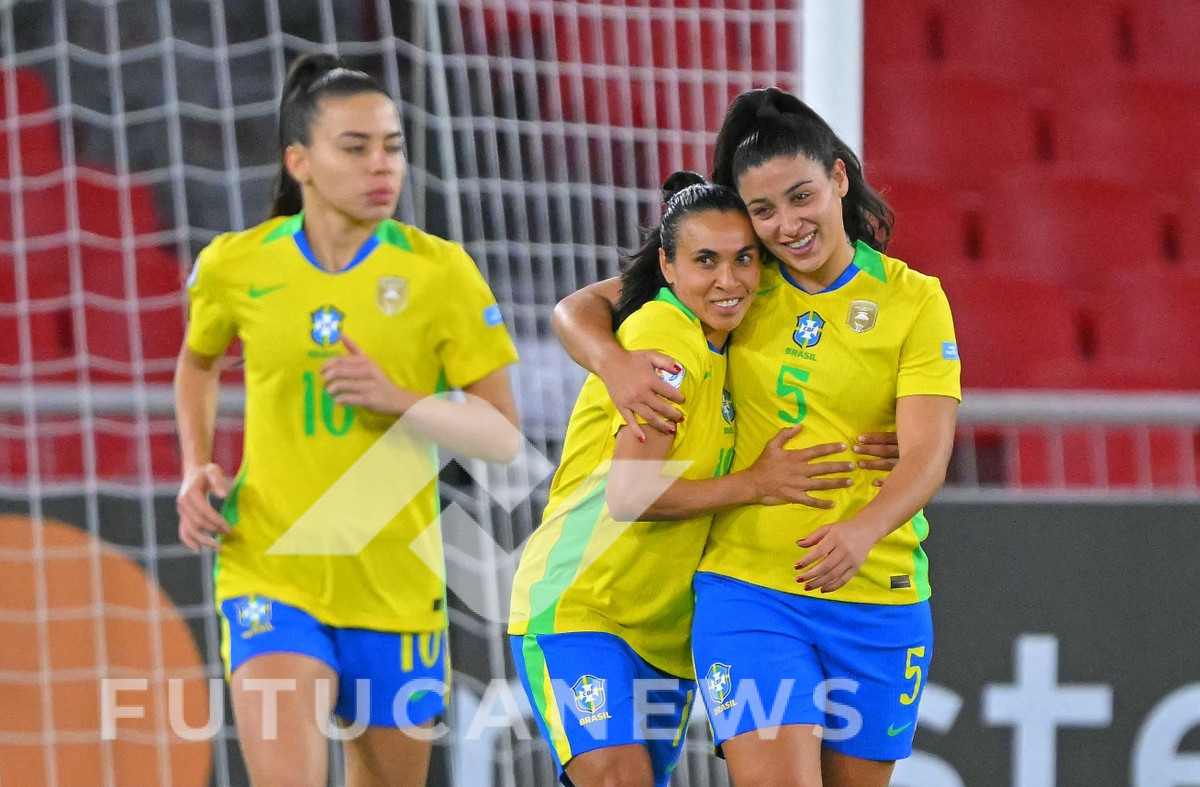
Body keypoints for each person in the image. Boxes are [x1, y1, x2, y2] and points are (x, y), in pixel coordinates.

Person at [552, 87, 960, 787]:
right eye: (764, 210)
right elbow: (580, 306)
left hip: (879, 595)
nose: (787, 226)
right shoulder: (740, 276)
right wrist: (615, 363)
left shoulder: (914, 299)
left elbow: (927, 453)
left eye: (801, 197)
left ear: (837, 178)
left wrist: (862, 530)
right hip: (749, 591)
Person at [174, 53, 520, 787]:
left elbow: (501, 433)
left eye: (392, 146)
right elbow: (198, 362)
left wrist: (403, 400)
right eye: (356, 147)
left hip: (397, 583)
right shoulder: (238, 265)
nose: (381, 166)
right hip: (269, 565)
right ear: (299, 160)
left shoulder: (441, 272)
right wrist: (194, 462)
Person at [508, 171, 857, 787]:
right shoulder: (666, 338)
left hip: (664, 635)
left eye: (743, 259)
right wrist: (757, 483)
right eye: (706, 261)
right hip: (584, 607)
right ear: (667, 266)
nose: (728, 279)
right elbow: (631, 496)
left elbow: (582, 306)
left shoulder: (729, 328)